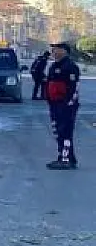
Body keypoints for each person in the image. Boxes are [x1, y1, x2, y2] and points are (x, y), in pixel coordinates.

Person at [44, 42, 81, 170]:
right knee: (58, 132)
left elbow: (74, 88)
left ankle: (66, 160)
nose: (54, 52)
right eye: (53, 50)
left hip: (66, 106)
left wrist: (69, 103)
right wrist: (47, 98)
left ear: (64, 51)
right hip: (54, 105)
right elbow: (48, 83)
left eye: (57, 49)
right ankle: (65, 157)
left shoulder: (70, 67)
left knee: (65, 132)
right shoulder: (53, 66)